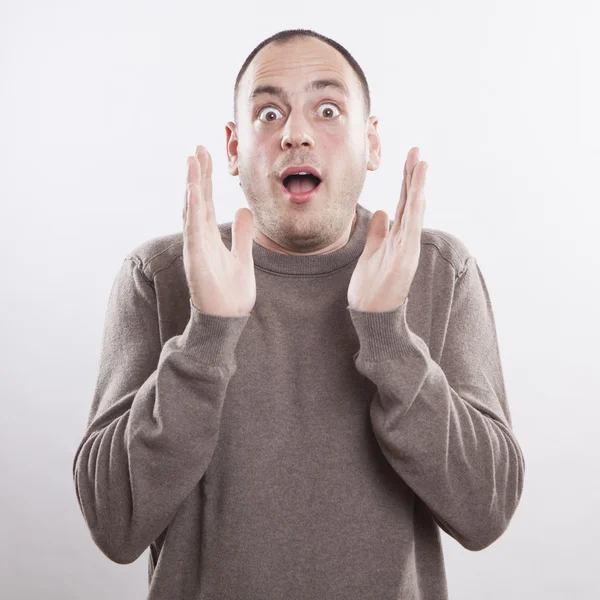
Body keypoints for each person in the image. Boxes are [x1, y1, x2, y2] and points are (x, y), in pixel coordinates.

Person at [72, 28, 526, 600]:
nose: (295, 133)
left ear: (372, 142)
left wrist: (389, 337)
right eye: (268, 114)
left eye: (328, 109)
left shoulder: (440, 270)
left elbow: (486, 510)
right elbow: (115, 524)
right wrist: (208, 337)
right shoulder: (159, 275)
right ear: (235, 148)